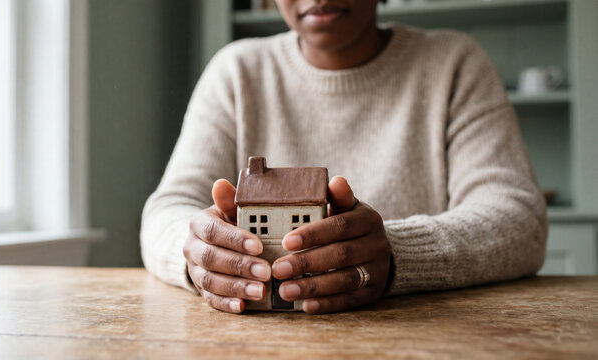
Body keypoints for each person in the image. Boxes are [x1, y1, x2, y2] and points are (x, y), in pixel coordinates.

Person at [140, 0, 547, 314]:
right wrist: (201, 254)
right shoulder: (236, 71)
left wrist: (396, 254)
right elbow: (168, 209)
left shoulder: (453, 63)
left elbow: (519, 217)